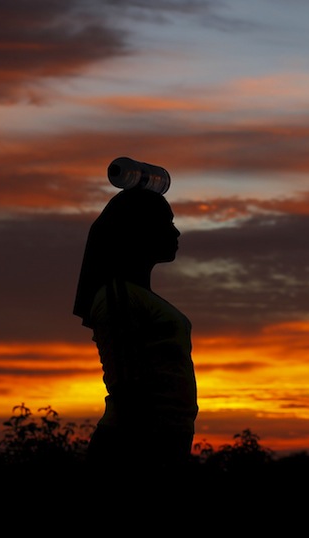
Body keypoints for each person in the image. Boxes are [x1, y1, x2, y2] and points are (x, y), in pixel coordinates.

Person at [73, 186, 198, 480]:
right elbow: (127, 383)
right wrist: (152, 452)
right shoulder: (118, 297)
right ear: (139, 231)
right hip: (135, 446)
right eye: (166, 224)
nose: (176, 233)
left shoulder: (135, 295)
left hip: (164, 441)